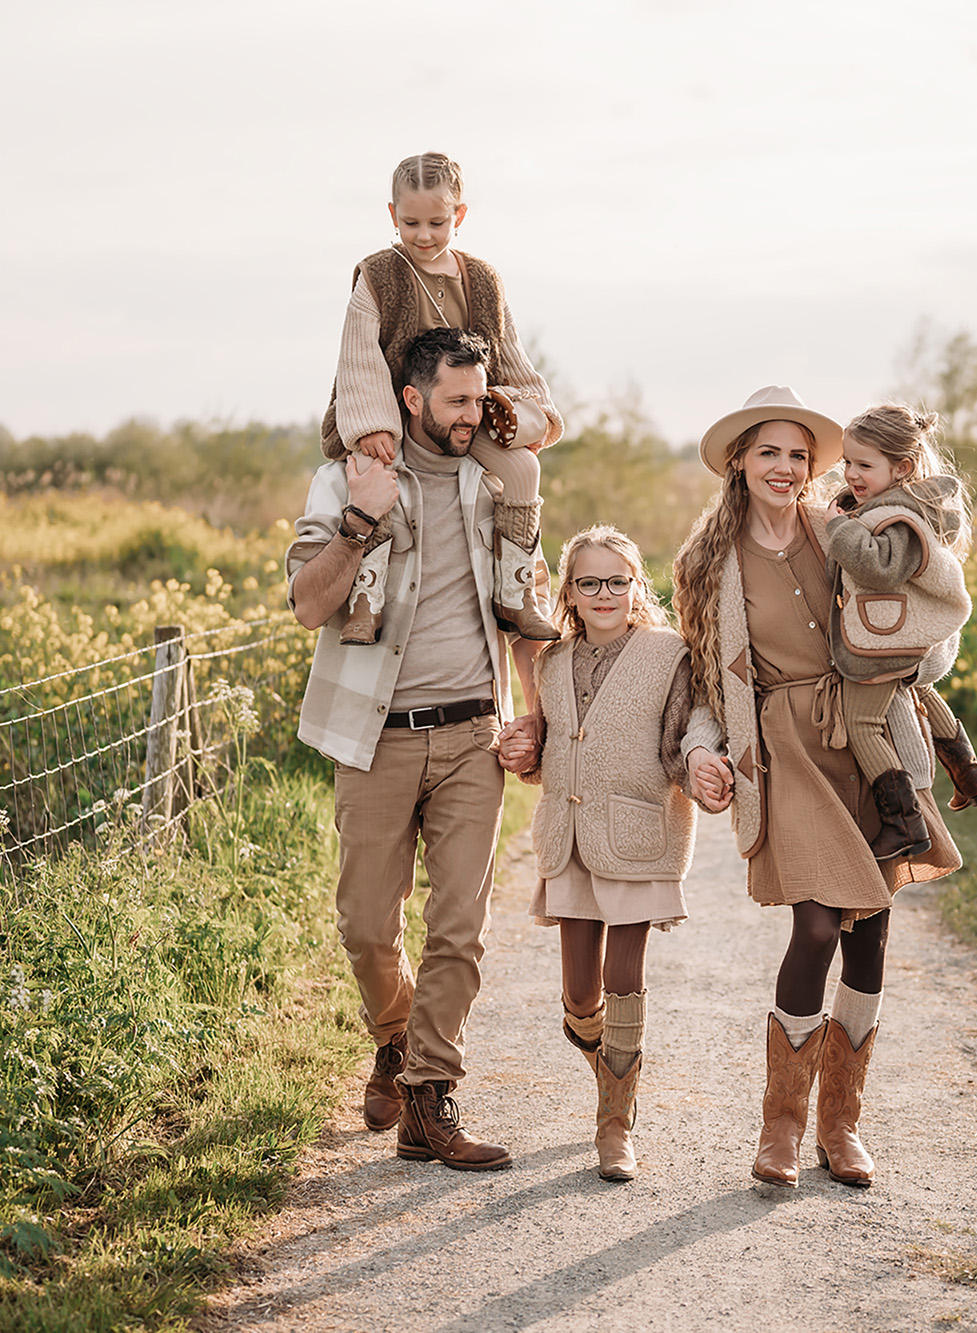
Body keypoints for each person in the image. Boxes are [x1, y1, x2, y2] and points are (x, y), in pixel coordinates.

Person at [671, 385, 963, 1190]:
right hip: (783, 749)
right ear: (739, 461)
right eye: (769, 451)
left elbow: (921, 612)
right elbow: (700, 684)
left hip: (865, 736)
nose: (787, 467)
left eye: (800, 454)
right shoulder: (708, 563)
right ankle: (782, 1125)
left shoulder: (846, 525)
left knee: (869, 929)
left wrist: (919, 666)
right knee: (815, 924)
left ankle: (841, 1124)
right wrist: (704, 749)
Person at [285, 326, 549, 1173]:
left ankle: (430, 1099)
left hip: (474, 733)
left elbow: (525, 612)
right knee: (366, 926)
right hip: (374, 738)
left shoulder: (494, 487)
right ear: (411, 399)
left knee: (459, 926)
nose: (473, 415)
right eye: (457, 400)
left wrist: (534, 716)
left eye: (480, 399)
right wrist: (359, 521)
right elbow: (306, 603)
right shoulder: (345, 480)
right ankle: (395, 1039)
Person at [496, 526, 716, 1182]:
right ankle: (611, 1060)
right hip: (569, 840)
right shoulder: (551, 661)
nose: (604, 593)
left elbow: (687, 729)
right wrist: (524, 748)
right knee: (577, 997)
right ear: (568, 591)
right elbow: (549, 743)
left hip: (639, 835)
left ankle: (615, 1120)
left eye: (617, 581)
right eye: (588, 582)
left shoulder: (667, 654)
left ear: (635, 586)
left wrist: (704, 762)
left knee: (623, 977)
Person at [319, 150, 564, 646]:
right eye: (410, 222)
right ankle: (367, 600)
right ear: (392, 215)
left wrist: (534, 411)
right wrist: (372, 426)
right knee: (372, 474)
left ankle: (515, 595)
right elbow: (360, 357)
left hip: (460, 416)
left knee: (524, 471)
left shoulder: (482, 279)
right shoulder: (378, 276)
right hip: (394, 414)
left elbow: (507, 349)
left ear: (460, 215)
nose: (424, 234)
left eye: (437, 221)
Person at [823, 403, 977, 861]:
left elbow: (880, 567)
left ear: (902, 467)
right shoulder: (906, 502)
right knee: (918, 690)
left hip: (884, 637)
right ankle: (968, 773)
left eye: (864, 465)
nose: (850, 474)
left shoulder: (899, 513)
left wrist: (837, 526)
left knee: (861, 722)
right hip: (903, 635)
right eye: (847, 462)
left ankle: (903, 823)